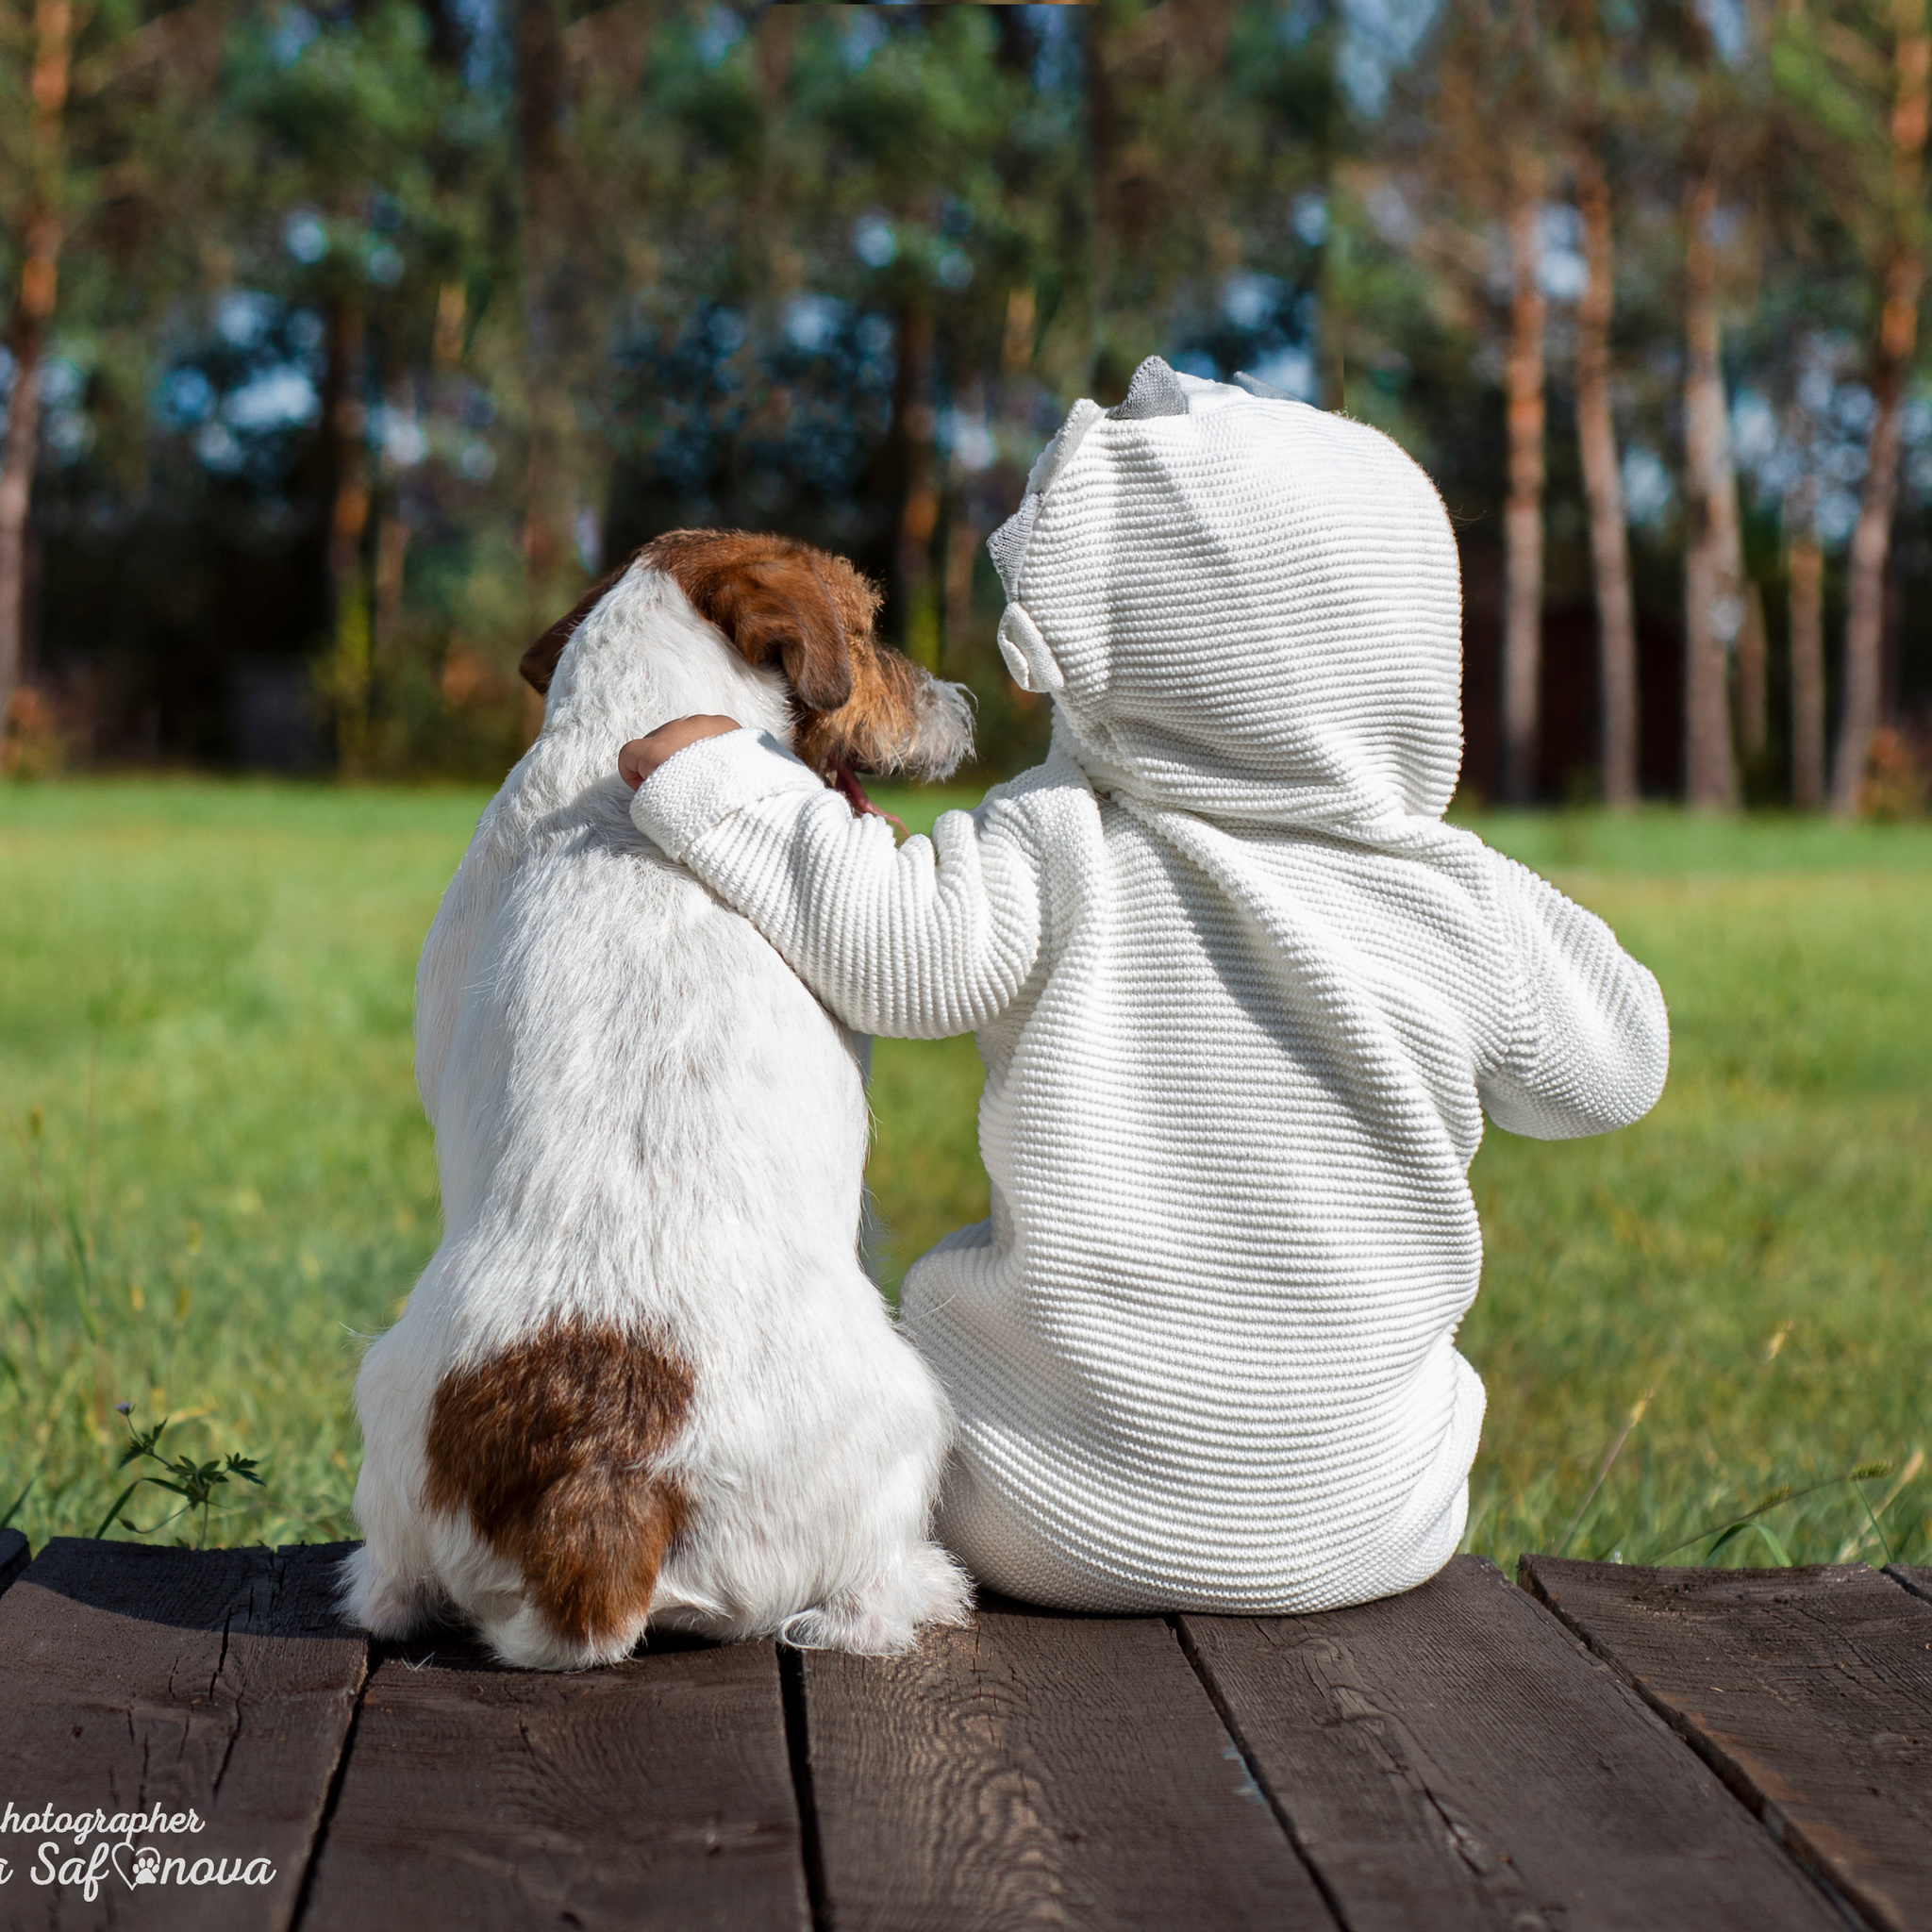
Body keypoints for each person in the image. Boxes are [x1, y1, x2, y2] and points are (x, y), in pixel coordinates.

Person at [618, 358, 1670, 1615]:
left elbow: (890, 943)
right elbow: (1615, 1070)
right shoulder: (1450, 902)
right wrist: (1490, 882)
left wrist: (722, 785)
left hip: (1031, 1510)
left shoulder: (1060, 840)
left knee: (913, 1349)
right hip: (1371, 1523)